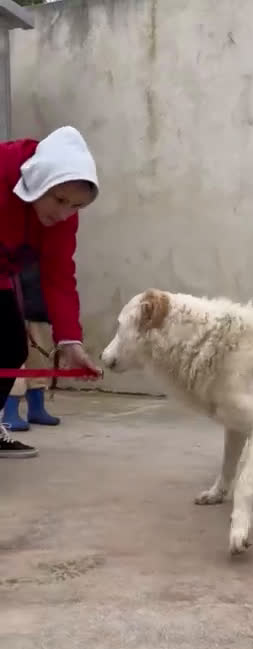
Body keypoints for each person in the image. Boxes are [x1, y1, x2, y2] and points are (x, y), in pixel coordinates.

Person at [0, 125, 100, 457]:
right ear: (39, 178)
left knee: (11, 347)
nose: (64, 213)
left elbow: (58, 277)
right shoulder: (4, 170)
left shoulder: (61, 220)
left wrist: (69, 340)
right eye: (59, 200)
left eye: (75, 207)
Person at [2, 261, 60, 431]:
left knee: (39, 359)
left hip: (38, 307)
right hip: (12, 304)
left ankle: (37, 408)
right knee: (15, 360)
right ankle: (10, 412)